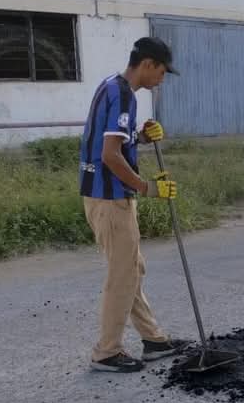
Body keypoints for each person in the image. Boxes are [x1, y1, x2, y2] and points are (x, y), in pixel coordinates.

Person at [80, 36, 189, 372]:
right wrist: (147, 188)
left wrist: (141, 137)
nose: (162, 79)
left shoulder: (110, 86)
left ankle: (153, 339)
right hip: (111, 199)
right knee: (122, 275)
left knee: (132, 269)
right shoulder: (124, 95)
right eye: (161, 71)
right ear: (147, 64)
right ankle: (107, 352)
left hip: (102, 195)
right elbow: (109, 156)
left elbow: (115, 142)